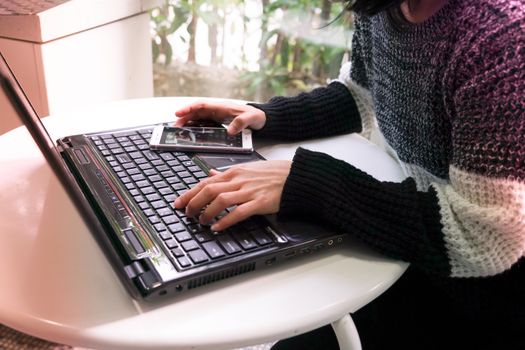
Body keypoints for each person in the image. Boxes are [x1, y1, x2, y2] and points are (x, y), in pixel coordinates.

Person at [173, 0, 524, 348]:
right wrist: (265, 117)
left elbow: (486, 238)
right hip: (412, 238)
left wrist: (310, 184)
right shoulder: (383, 6)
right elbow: (361, 93)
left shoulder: (502, 36)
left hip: (482, 298)